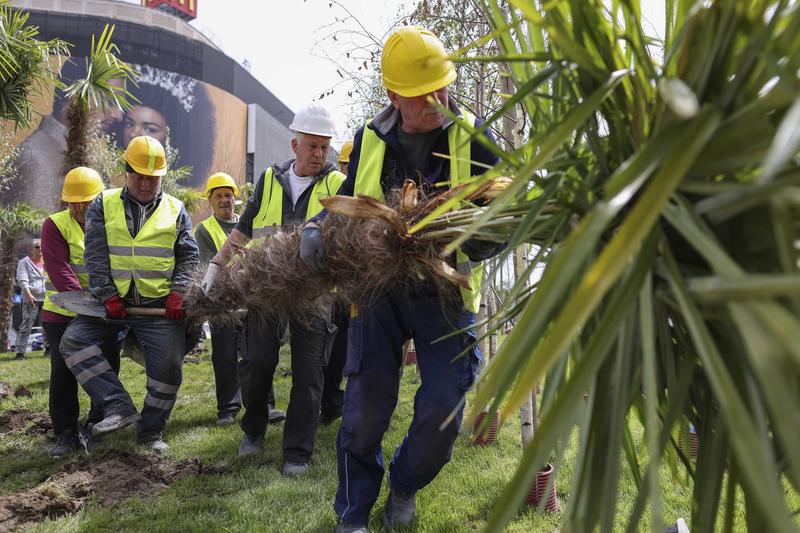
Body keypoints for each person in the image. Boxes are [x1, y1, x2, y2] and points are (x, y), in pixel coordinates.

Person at [299, 27, 503, 532]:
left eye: (443, 86)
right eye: (423, 93)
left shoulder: (473, 137)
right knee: (366, 410)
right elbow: (347, 201)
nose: (438, 99)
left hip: (444, 291)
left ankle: (406, 482)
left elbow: (504, 217)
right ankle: (353, 514)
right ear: (393, 96)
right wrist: (314, 229)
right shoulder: (369, 138)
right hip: (378, 292)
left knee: (444, 407)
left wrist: (458, 243)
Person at [201, 103, 345, 477]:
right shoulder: (269, 179)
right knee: (258, 362)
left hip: (313, 296)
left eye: (324, 147)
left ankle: (297, 451)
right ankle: (254, 430)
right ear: (295, 143)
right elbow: (244, 228)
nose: (319, 154)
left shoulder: (337, 186)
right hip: (266, 290)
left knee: (309, 372)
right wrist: (217, 265)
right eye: (312, 146)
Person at [59, 135, 199, 452]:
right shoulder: (102, 205)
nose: (146, 183)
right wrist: (107, 295)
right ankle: (117, 405)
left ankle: (150, 432)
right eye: (139, 175)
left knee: (168, 371)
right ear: (126, 171)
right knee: (73, 340)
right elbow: (95, 254)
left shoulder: (177, 210)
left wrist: (179, 293)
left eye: (153, 177)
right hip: (111, 306)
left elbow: (189, 257)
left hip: (159, 307)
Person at [41, 167, 123, 457]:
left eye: (86, 201)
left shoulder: (113, 224)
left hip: (105, 311)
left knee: (107, 364)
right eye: (73, 201)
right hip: (62, 312)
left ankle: (99, 422)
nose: (79, 207)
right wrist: (86, 305)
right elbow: (61, 271)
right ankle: (66, 433)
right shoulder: (55, 225)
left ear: (99, 199)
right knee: (63, 371)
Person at [194, 172, 285, 426]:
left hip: (253, 299)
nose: (225, 200)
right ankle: (228, 408)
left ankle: (266, 405)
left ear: (236, 199)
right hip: (222, 302)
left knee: (258, 353)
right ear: (209, 200)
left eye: (229, 195)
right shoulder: (204, 230)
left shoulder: (249, 224)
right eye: (219, 196)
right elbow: (207, 266)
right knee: (224, 354)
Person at [8, 60, 124, 212]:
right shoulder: (38, 156)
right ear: (77, 94)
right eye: (109, 100)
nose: (118, 115)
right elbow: (35, 233)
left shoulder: (78, 152)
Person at [318, 140, 354, 426]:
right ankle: (331, 403)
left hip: (366, 288)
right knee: (336, 352)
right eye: (347, 164)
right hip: (339, 291)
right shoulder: (337, 194)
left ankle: (355, 405)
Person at [14, 239, 46, 359]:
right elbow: (22, 279)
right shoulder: (24, 262)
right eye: (37, 247)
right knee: (26, 324)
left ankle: (48, 348)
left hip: (47, 299)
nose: (40, 249)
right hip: (31, 298)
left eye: (42, 247)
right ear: (32, 249)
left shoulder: (48, 261)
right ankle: (20, 352)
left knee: (48, 325)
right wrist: (28, 294)